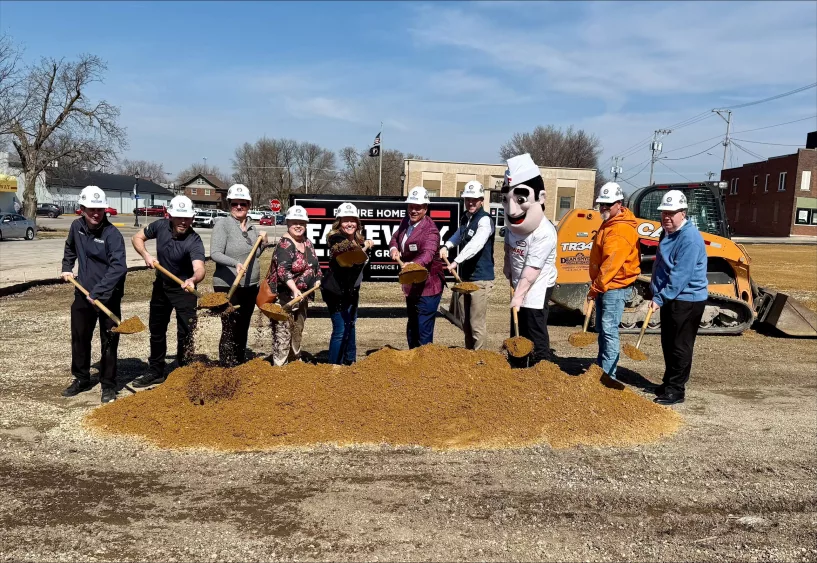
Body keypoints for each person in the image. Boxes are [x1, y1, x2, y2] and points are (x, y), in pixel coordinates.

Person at [60, 186, 127, 403]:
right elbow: (69, 248)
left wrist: (99, 292)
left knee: (108, 340)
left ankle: (108, 385)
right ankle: (81, 378)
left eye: (100, 209)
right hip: (83, 293)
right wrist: (67, 266)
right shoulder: (76, 227)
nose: (96, 214)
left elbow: (119, 267)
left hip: (108, 296)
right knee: (80, 337)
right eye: (91, 209)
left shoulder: (112, 235)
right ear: (82, 209)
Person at [130, 195, 206, 387]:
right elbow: (137, 237)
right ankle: (156, 371)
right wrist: (146, 254)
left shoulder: (194, 240)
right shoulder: (160, 226)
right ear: (170, 215)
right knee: (156, 330)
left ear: (192, 218)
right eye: (179, 217)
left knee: (186, 332)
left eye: (187, 218)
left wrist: (192, 279)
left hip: (185, 290)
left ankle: (184, 371)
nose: (183, 221)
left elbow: (200, 268)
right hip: (161, 287)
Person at [648, 190, 708, 405]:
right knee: (668, 343)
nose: (666, 217)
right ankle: (669, 381)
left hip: (687, 299)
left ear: (683, 213)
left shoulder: (690, 239)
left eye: (671, 213)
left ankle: (676, 389)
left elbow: (680, 276)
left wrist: (660, 297)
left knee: (680, 345)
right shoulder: (667, 232)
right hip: (672, 297)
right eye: (664, 212)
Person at [501, 153, 558, 367]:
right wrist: (508, 267)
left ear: (540, 198)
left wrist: (520, 295)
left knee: (533, 327)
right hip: (518, 282)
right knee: (517, 327)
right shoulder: (512, 227)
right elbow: (508, 244)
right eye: (506, 200)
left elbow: (533, 269)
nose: (512, 209)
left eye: (521, 200)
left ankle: (541, 368)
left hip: (537, 285)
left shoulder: (545, 232)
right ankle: (517, 366)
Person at [586, 182, 641, 389]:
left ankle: (609, 375)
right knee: (603, 329)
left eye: (608, 205)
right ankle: (602, 369)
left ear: (619, 204)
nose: (603, 208)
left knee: (608, 330)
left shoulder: (619, 230)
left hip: (613, 287)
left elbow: (610, 266)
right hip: (606, 286)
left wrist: (595, 288)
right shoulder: (610, 222)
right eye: (601, 205)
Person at [210, 184, 268, 367]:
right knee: (229, 326)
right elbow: (215, 253)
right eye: (235, 203)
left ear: (249, 204)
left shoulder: (252, 228)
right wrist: (234, 263)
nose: (239, 207)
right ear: (229, 204)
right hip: (228, 284)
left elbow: (254, 255)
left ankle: (239, 363)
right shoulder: (223, 225)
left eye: (243, 203)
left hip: (249, 285)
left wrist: (263, 243)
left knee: (243, 325)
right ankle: (227, 366)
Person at [439, 180, 495, 350]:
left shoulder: (485, 221)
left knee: (476, 323)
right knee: (465, 322)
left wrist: (457, 261)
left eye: (474, 199)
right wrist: (447, 245)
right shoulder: (466, 217)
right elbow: (459, 235)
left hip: (480, 279)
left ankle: (480, 361)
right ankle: (469, 356)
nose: (470, 203)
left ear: (481, 200)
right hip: (464, 278)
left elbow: (476, 244)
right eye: (467, 199)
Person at [389, 187, 446, 349]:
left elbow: (428, 254)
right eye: (411, 206)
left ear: (425, 208)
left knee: (423, 329)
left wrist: (413, 265)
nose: (413, 210)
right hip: (412, 284)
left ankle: (425, 367)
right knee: (413, 324)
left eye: (418, 207)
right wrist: (393, 249)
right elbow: (395, 238)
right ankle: (413, 361)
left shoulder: (431, 231)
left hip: (429, 287)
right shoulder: (406, 222)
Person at [266, 205, 321, 366]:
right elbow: (283, 271)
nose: (298, 226)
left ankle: (295, 363)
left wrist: (317, 278)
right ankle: (280, 366)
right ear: (288, 223)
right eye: (294, 222)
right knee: (282, 333)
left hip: (302, 297)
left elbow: (315, 265)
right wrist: (295, 289)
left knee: (297, 331)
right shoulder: (285, 244)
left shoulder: (307, 242)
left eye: (302, 222)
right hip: (285, 298)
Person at [320, 202, 373, 365]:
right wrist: (366, 247)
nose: (349, 223)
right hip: (336, 292)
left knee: (351, 325)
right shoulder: (335, 238)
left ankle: (350, 362)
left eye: (353, 220)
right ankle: (333, 367)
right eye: (345, 220)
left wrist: (364, 245)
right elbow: (348, 253)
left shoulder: (358, 240)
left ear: (357, 223)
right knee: (340, 330)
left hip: (351, 291)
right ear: (339, 222)